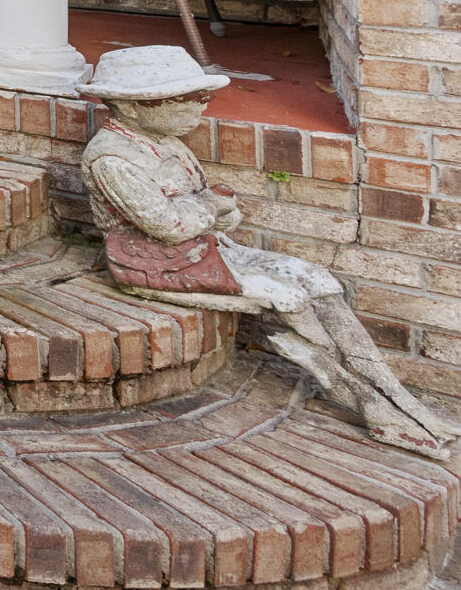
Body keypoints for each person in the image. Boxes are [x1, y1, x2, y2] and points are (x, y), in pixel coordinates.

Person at [78, 45, 458, 459]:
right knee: (288, 296)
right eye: (183, 101)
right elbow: (169, 228)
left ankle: (399, 398)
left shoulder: (167, 142)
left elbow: (213, 217)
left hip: (203, 247)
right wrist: (209, 206)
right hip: (152, 261)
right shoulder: (112, 158)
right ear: (129, 107)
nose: (199, 109)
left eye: (202, 98)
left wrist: (216, 211)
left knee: (318, 280)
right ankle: (369, 405)